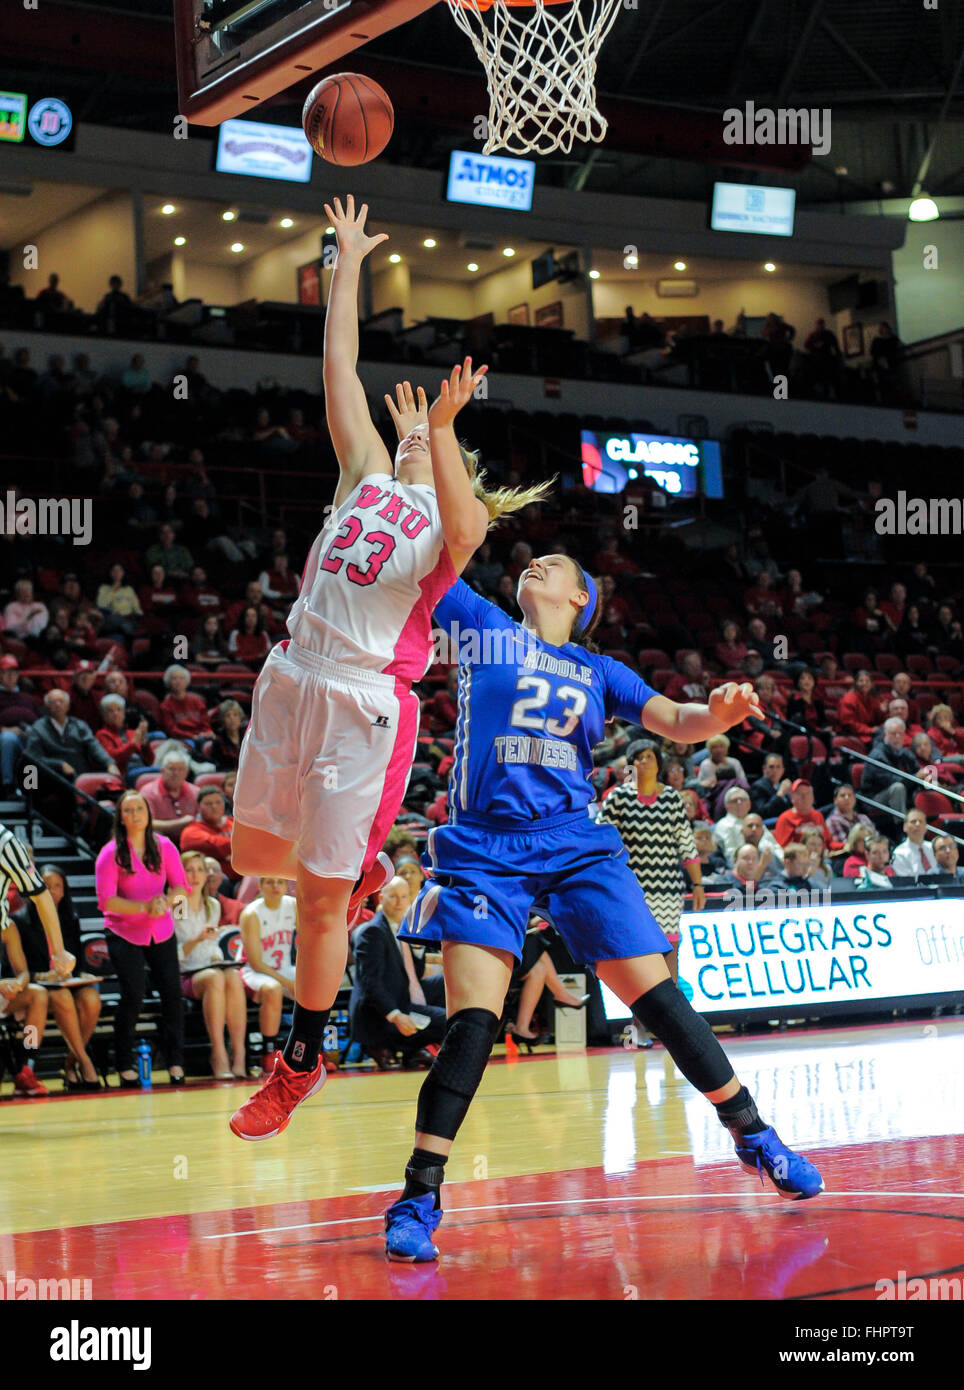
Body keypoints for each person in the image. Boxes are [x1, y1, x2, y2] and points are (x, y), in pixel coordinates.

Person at [381, 553, 822, 1261]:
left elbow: (677, 718)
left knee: (660, 1001)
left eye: (552, 563)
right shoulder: (484, 626)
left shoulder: (598, 670)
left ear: (580, 596)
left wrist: (722, 711)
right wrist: (416, 453)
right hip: (486, 846)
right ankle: (418, 1194)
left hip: (574, 843)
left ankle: (753, 1134)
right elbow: (427, 559)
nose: (534, 562)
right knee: (473, 1023)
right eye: (529, 559)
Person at [229, 194, 550, 1143]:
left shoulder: (452, 531)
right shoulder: (362, 474)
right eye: (405, 426)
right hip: (292, 674)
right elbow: (338, 370)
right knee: (256, 864)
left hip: (366, 702)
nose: (405, 426)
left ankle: (299, 1060)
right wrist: (347, 265)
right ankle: (357, 871)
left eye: (421, 437)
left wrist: (442, 432)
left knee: (321, 903)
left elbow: (465, 522)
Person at [94, 792, 189, 1086]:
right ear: (121, 817)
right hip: (123, 931)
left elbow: (181, 888)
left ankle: (175, 1061)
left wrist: (167, 902)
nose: (135, 813)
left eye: (140, 808)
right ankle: (124, 1062)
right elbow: (106, 901)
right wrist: (143, 907)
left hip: (161, 929)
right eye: (129, 809)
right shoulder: (110, 853)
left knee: (173, 994)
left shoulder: (165, 847)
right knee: (133, 994)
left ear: (148, 813)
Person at [598, 739, 704, 985]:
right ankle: (639, 1021)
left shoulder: (672, 799)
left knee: (669, 954)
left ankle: (672, 1021)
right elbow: (602, 839)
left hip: (668, 889)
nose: (643, 762)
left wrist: (698, 885)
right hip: (632, 890)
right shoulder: (619, 797)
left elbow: (686, 844)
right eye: (638, 757)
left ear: (659, 764)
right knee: (639, 958)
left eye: (649, 757)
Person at [12, 865, 103, 1090]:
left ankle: (70, 1062)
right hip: (37, 987)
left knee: (91, 998)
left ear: (65, 891)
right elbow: (15, 970)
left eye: (57, 886)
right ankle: (84, 1061)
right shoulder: (19, 922)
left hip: (65, 984)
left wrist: (78, 973)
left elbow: (78, 962)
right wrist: (44, 975)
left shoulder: (70, 918)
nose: (51, 891)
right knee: (61, 996)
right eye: (46, 886)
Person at [350, 875, 447, 1069]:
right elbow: (371, 983)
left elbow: (414, 976)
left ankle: (414, 1050)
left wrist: (418, 947)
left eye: (404, 897)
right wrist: (395, 1015)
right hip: (380, 1012)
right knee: (450, 1021)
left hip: (402, 993)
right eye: (393, 896)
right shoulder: (372, 932)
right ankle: (402, 1046)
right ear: (381, 897)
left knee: (448, 984)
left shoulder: (404, 926)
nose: (399, 902)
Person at [175, 850, 247, 1079]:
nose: (195, 875)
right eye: (189, 870)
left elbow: (213, 946)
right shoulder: (178, 904)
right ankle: (218, 1054)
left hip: (211, 966)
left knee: (232, 975)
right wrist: (198, 938)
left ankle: (239, 1054)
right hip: (186, 972)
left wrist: (218, 954)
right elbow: (175, 952)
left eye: (200, 870)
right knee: (215, 976)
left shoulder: (213, 906)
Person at [238, 878, 298, 1070]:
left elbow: (307, 939)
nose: (275, 887)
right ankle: (268, 1051)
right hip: (253, 971)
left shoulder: (293, 905)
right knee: (273, 989)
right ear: (260, 886)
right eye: (270, 882)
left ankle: (311, 1047)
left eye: (280, 882)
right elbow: (256, 962)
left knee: (316, 986)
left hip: (283, 967)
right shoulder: (251, 913)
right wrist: (289, 984)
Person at [141, 750, 199, 844]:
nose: (176, 773)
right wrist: (180, 822)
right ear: (162, 771)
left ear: (186, 772)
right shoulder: (148, 792)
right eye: (171, 769)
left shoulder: (196, 792)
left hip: (189, 838)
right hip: (159, 840)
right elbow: (146, 823)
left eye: (180, 769)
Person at [180, 787, 236, 880]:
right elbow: (218, 846)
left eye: (218, 802)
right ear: (198, 807)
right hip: (217, 880)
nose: (214, 807)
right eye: (208, 804)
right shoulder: (191, 832)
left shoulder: (234, 822)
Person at [96, 694, 154, 777]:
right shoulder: (102, 735)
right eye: (110, 711)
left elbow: (150, 760)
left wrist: (145, 745)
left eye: (118, 710)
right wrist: (133, 743)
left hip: (142, 768)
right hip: (124, 773)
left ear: (124, 713)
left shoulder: (131, 732)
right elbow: (112, 758)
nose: (115, 713)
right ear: (104, 715)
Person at [160, 665, 213, 743]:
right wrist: (192, 736)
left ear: (187, 681)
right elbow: (172, 730)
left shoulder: (197, 701)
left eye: (182, 678)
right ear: (169, 682)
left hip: (202, 736)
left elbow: (205, 724)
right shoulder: (165, 705)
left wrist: (207, 733)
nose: (178, 681)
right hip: (182, 739)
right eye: (174, 678)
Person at [773, 779, 829, 848]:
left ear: (812, 796)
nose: (804, 797)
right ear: (791, 796)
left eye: (807, 793)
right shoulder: (785, 818)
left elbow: (828, 842)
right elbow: (783, 848)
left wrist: (845, 846)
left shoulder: (818, 815)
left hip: (823, 856)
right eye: (799, 793)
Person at [891, 808, 939, 877]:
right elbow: (904, 882)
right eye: (913, 821)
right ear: (905, 827)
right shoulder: (899, 853)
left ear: (926, 827)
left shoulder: (934, 848)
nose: (917, 824)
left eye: (921, 821)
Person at [825, 782, 874, 848]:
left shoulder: (863, 818)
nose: (847, 798)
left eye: (850, 795)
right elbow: (845, 846)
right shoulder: (832, 821)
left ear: (854, 799)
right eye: (842, 795)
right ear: (835, 800)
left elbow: (876, 838)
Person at [749, 752, 792, 820]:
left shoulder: (782, 785)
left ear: (783, 770)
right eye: (771, 767)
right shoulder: (758, 786)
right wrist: (780, 794)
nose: (775, 770)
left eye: (778, 767)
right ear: (764, 769)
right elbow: (761, 812)